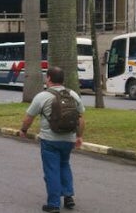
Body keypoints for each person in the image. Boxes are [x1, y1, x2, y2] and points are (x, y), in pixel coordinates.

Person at [19, 66, 85, 213]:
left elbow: (28, 118)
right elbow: (81, 119)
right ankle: (69, 198)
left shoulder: (42, 96)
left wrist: (23, 130)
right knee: (64, 165)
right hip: (68, 139)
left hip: (50, 140)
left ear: (48, 78)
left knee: (51, 170)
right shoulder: (73, 94)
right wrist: (79, 136)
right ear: (63, 79)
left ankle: (54, 204)